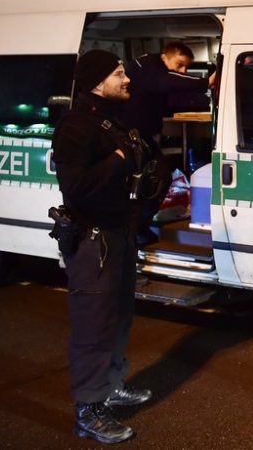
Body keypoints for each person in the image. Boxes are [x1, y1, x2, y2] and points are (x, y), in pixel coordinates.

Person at [52, 50, 153, 444]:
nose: (127, 79)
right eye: (119, 73)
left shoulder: (110, 122)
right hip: (93, 239)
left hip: (118, 234)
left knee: (118, 317)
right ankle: (88, 411)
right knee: (92, 328)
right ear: (97, 81)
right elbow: (75, 187)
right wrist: (117, 158)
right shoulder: (75, 127)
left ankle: (111, 387)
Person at [122, 42, 216, 244]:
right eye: (180, 64)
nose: (182, 71)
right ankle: (134, 230)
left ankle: (139, 227)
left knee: (158, 179)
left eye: (185, 68)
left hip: (145, 137)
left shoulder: (155, 69)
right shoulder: (148, 66)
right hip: (133, 139)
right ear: (166, 56)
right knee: (149, 182)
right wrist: (205, 82)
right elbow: (167, 81)